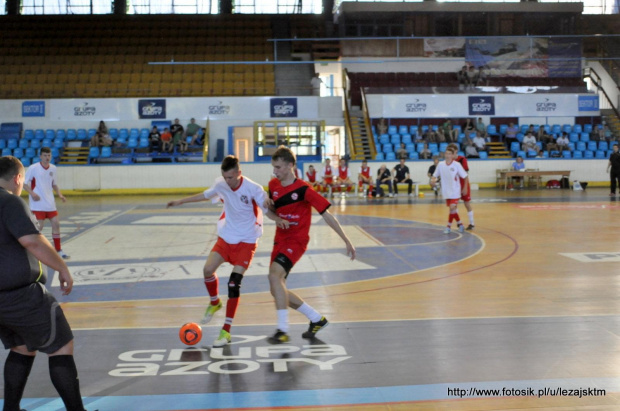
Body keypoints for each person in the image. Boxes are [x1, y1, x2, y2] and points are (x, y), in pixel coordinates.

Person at [0, 156, 86, 411]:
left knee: (22, 347)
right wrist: (62, 267)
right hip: (21, 295)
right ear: (18, 178)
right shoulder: (9, 201)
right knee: (61, 346)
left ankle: (11, 409)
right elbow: (33, 241)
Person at [166, 156, 277, 347]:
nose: (228, 181)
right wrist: (181, 201)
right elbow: (205, 195)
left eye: (231, 178)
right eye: (225, 177)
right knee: (207, 270)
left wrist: (276, 215)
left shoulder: (253, 188)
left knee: (234, 284)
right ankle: (215, 302)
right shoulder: (221, 184)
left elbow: (266, 207)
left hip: (247, 240)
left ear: (239, 173)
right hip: (226, 236)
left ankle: (226, 331)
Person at [265, 146, 356, 343]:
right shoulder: (273, 185)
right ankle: (316, 318)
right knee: (276, 287)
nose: (275, 171)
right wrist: (275, 218)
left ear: (290, 166)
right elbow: (270, 210)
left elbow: (328, 216)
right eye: (274, 167)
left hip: (296, 241)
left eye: (279, 167)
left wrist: (346, 239)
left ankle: (282, 330)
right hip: (279, 239)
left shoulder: (304, 190)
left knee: (274, 276)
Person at [23, 147, 69, 259]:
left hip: (50, 203)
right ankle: (31, 251)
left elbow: (54, 184)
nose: (47, 157)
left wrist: (60, 195)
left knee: (56, 224)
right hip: (37, 204)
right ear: (40, 156)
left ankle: (58, 250)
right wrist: (32, 193)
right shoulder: (33, 168)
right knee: (38, 228)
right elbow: (24, 184)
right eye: (44, 155)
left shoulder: (53, 168)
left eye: (49, 155)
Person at [431, 145, 469, 234]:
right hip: (446, 191)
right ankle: (461, 224)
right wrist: (432, 180)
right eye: (446, 153)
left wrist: (465, 188)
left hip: (455, 190)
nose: (448, 155)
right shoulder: (441, 164)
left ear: (452, 155)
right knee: (453, 210)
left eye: (449, 154)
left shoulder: (457, 165)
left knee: (452, 207)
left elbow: (465, 176)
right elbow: (435, 175)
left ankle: (448, 226)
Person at [451, 143, 475, 230]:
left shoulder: (462, 159)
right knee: (454, 204)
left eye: (452, 152)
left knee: (466, 203)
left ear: (456, 151)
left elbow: (465, 173)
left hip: (463, 183)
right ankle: (459, 223)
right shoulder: (449, 161)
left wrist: (464, 187)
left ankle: (472, 223)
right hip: (454, 184)